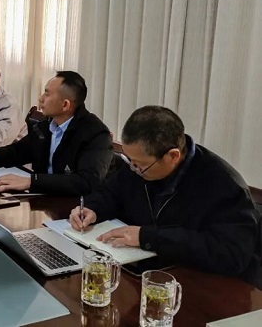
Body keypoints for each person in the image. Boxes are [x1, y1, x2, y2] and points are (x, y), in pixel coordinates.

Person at [69, 106, 262, 287]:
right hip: (140, 273)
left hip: (200, 286)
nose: (133, 168)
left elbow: (231, 253)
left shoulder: (224, 186)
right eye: (129, 160)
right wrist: (92, 209)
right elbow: (112, 192)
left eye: (139, 165)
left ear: (173, 156)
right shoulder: (140, 165)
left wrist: (148, 237)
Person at [0, 71, 113, 194]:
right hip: (43, 199)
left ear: (65, 105)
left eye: (47, 93)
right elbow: (20, 150)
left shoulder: (95, 134)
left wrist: (32, 181)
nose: (41, 98)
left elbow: (86, 182)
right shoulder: (46, 125)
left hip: (75, 208)